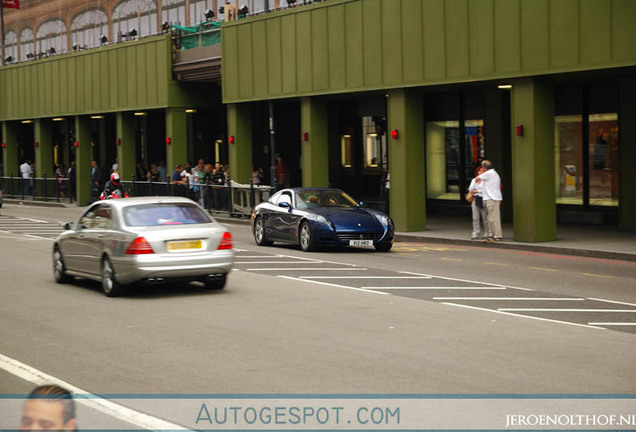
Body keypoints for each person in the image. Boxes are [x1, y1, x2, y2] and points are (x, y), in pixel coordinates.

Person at [476, 160, 502, 242]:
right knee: (490, 218)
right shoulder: (492, 173)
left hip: (492, 198)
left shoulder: (489, 173)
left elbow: (477, 178)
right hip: (491, 198)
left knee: (493, 218)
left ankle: (497, 235)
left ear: (484, 168)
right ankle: (492, 235)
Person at [468, 166, 489, 240]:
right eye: (479, 171)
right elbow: (470, 189)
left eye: (482, 171)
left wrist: (477, 191)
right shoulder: (474, 180)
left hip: (483, 198)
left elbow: (485, 190)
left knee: (485, 217)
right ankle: (475, 233)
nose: (480, 173)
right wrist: (475, 182)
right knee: (475, 217)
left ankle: (487, 232)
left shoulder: (486, 180)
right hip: (475, 198)